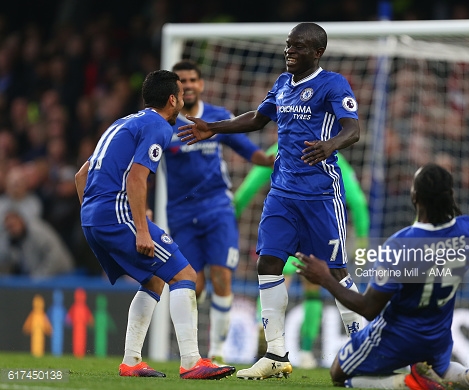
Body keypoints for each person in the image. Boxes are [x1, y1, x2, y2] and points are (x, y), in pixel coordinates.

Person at [176, 22, 363, 379]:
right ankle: (276, 353)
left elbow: (353, 129)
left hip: (321, 194)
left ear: (317, 52)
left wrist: (330, 145)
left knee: (335, 272)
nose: (289, 52)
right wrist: (213, 127)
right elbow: (258, 120)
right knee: (268, 264)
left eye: (298, 47)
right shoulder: (281, 83)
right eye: (288, 46)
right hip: (282, 193)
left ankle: (361, 349)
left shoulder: (333, 83)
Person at [294, 163, 469, 390]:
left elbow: (368, 308)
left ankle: (408, 383)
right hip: (437, 337)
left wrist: (325, 278)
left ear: (415, 197)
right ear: (450, 195)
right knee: (439, 372)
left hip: (396, 338)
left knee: (339, 374)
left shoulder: (401, 245)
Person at [74, 70, 235, 380]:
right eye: (182, 97)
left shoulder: (122, 123)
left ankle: (132, 361)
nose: (185, 102)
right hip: (116, 214)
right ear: (172, 99)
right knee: (184, 274)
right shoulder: (158, 126)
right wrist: (141, 228)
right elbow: (136, 177)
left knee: (154, 279)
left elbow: (81, 175)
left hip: (92, 218)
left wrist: (95, 214)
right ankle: (191, 361)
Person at [164, 59, 274, 365]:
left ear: (200, 84)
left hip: (217, 208)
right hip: (181, 213)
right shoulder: (163, 123)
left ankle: (217, 352)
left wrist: (269, 159)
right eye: (181, 81)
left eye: (191, 80)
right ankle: (189, 353)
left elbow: (247, 150)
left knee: (222, 278)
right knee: (191, 285)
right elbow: (146, 166)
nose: (186, 85)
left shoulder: (217, 118)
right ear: (175, 88)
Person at [234, 142, 369, 368]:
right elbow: (358, 202)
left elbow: (248, 188)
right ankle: (306, 351)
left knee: (275, 276)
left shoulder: (280, 147)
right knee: (313, 288)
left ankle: (265, 332)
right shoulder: (330, 154)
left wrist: (233, 215)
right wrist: (363, 245)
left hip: (285, 225)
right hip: (318, 224)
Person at [0, 209, 74, 277]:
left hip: (61, 273)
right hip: (37, 277)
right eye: (9, 227)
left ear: (21, 220)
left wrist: (39, 276)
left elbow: (55, 255)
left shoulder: (37, 230)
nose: (12, 229)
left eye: (14, 225)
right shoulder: (13, 241)